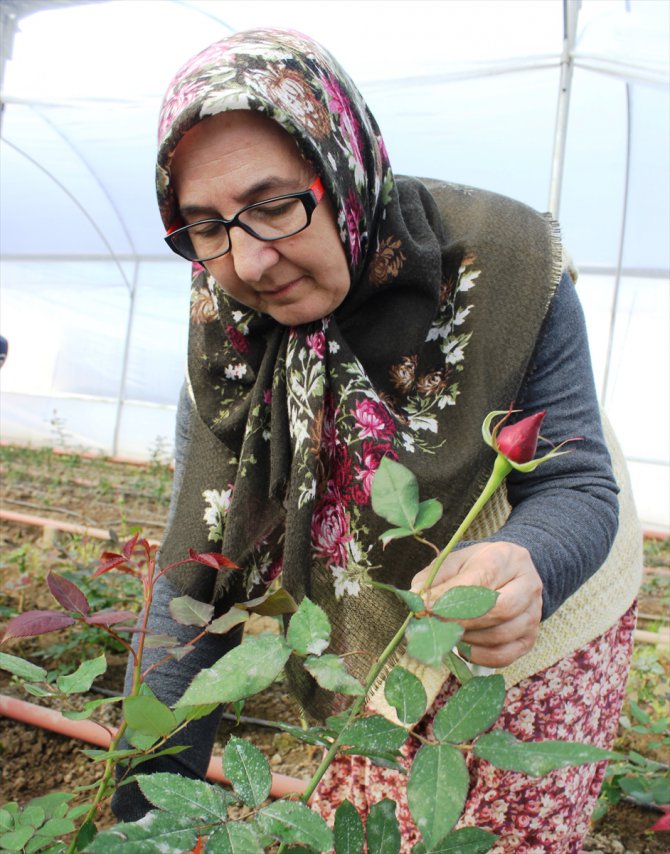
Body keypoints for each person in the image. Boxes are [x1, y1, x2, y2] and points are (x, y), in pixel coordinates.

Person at [111, 28, 642, 851]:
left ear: (343, 166)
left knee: (498, 828)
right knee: (366, 821)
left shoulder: (498, 266)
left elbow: (575, 483)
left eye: (275, 204)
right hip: (381, 633)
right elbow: (195, 581)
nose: (248, 262)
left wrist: (534, 560)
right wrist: (141, 818)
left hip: (533, 619)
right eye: (204, 226)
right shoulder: (224, 342)